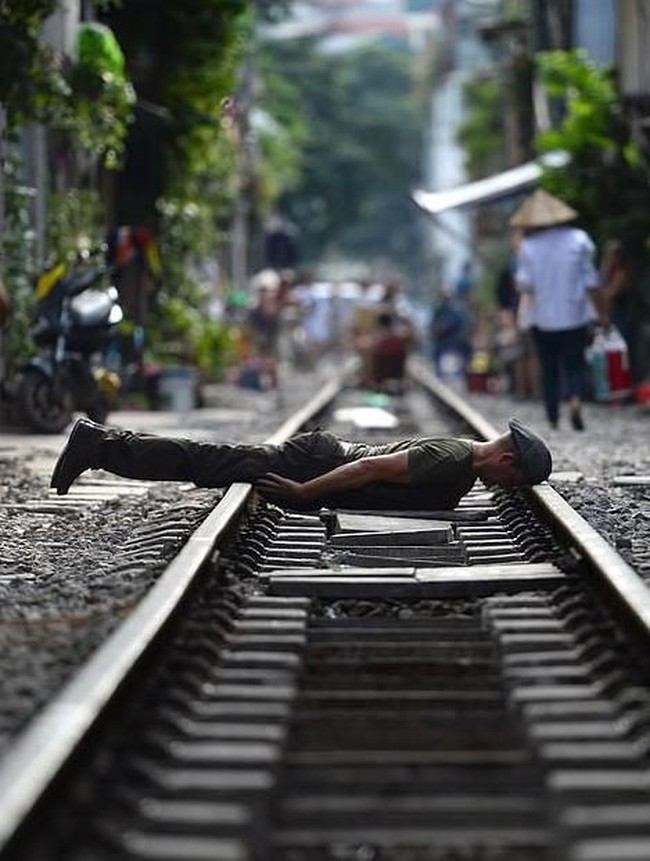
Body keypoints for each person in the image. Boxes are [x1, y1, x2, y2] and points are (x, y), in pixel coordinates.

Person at [50, 416, 552, 512]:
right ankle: (100, 444)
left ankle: (102, 445)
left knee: (208, 462)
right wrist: (304, 492)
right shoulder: (453, 459)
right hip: (318, 462)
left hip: (322, 460)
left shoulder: (464, 466)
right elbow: (368, 470)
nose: (512, 487)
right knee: (204, 461)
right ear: (506, 459)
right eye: (516, 479)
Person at [511, 189, 603, 431]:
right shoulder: (580, 239)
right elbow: (591, 281)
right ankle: (574, 398)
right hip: (575, 314)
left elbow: (524, 285)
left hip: (543, 318)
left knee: (549, 368)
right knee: (575, 364)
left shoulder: (528, 247)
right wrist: (602, 313)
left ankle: (553, 417)